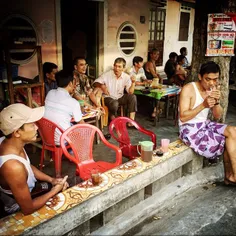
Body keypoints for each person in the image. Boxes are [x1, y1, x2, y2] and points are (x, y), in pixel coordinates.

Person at [0, 103, 69, 216]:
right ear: (17, 132)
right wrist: (55, 190)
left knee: (58, 185)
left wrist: (51, 180)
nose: (37, 127)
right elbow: (28, 209)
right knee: (60, 198)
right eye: (32, 125)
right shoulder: (12, 166)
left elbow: (26, 165)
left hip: (27, 188)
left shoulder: (8, 141)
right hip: (17, 206)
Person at [179, 61, 236, 185]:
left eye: (215, 80)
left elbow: (217, 115)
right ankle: (230, 177)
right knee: (228, 139)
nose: (211, 83)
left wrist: (216, 102)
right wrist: (203, 105)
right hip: (189, 129)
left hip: (205, 125)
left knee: (233, 131)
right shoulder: (189, 89)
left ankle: (232, 176)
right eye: (208, 79)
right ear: (200, 77)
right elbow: (183, 117)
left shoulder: (212, 89)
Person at [44, 70, 85, 145]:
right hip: (61, 139)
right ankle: (73, 153)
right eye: (74, 83)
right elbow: (81, 123)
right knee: (84, 131)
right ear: (70, 83)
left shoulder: (50, 93)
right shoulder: (73, 102)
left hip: (46, 136)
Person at [93, 57, 137, 125]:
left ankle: (131, 121)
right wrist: (102, 86)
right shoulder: (107, 75)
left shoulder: (126, 77)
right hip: (108, 97)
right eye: (115, 66)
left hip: (119, 97)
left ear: (123, 68)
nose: (117, 68)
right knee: (114, 103)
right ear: (113, 65)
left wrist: (133, 83)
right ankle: (112, 115)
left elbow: (130, 92)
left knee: (132, 97)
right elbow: (95, 83)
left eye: (119, 67)